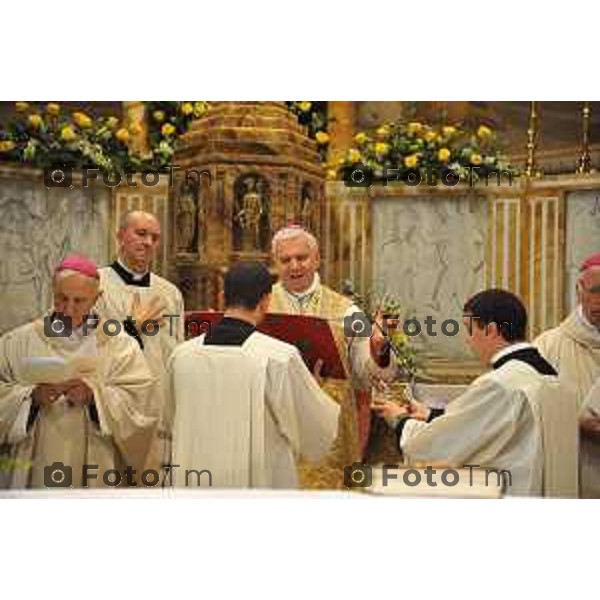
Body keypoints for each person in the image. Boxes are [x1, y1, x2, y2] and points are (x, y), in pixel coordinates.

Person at [373, 289, 578, 497]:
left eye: (470, 330)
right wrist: (431, 415)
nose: (468, 341)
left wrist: (399, 420)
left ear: (490, 330)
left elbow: (444, 444)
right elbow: (495, 425)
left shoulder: (502, 384)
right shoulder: (555, 381)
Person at [168, 261, 340, 488]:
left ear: (222, 296)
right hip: (257, 491)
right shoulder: (278, 357)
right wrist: (312, 387)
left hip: (195, 484)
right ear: (266, 300)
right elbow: (316, 434)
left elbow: (170, 420)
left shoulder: (181, 356)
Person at [0, 254, 158, 489]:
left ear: (97, 298)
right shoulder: (17, 342)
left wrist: (96, 399)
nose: (69, 309)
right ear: (52, 292)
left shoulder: (121, 347)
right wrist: (28, 399)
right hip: (34, 470)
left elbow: (142, 408)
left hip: (96, 468)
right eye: (62, 299)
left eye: (79, 301)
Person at [269, 225, 395, 488]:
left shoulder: (348, 311)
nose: (294, 265)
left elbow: (365, 374)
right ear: (275, 264)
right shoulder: (261, 306)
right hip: (275, 428)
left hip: (332, 432)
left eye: (301, 257)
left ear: (316, 260)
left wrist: (379, 350)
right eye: (285, 260)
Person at [96, 211, 185, 474]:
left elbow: (176, 351)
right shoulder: (94, 285)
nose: (148, 242)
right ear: (120, 236)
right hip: (114, 406)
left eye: (155, 238)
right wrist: (129, 328)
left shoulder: (170, 293)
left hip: (158, 405)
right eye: (141, 233)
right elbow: (84, 343)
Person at [535, 251, 600, 497]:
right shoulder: (549, 346)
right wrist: (574, 421)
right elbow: (531, 408)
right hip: (573, 471)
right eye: (596, 290)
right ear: (579, 291)